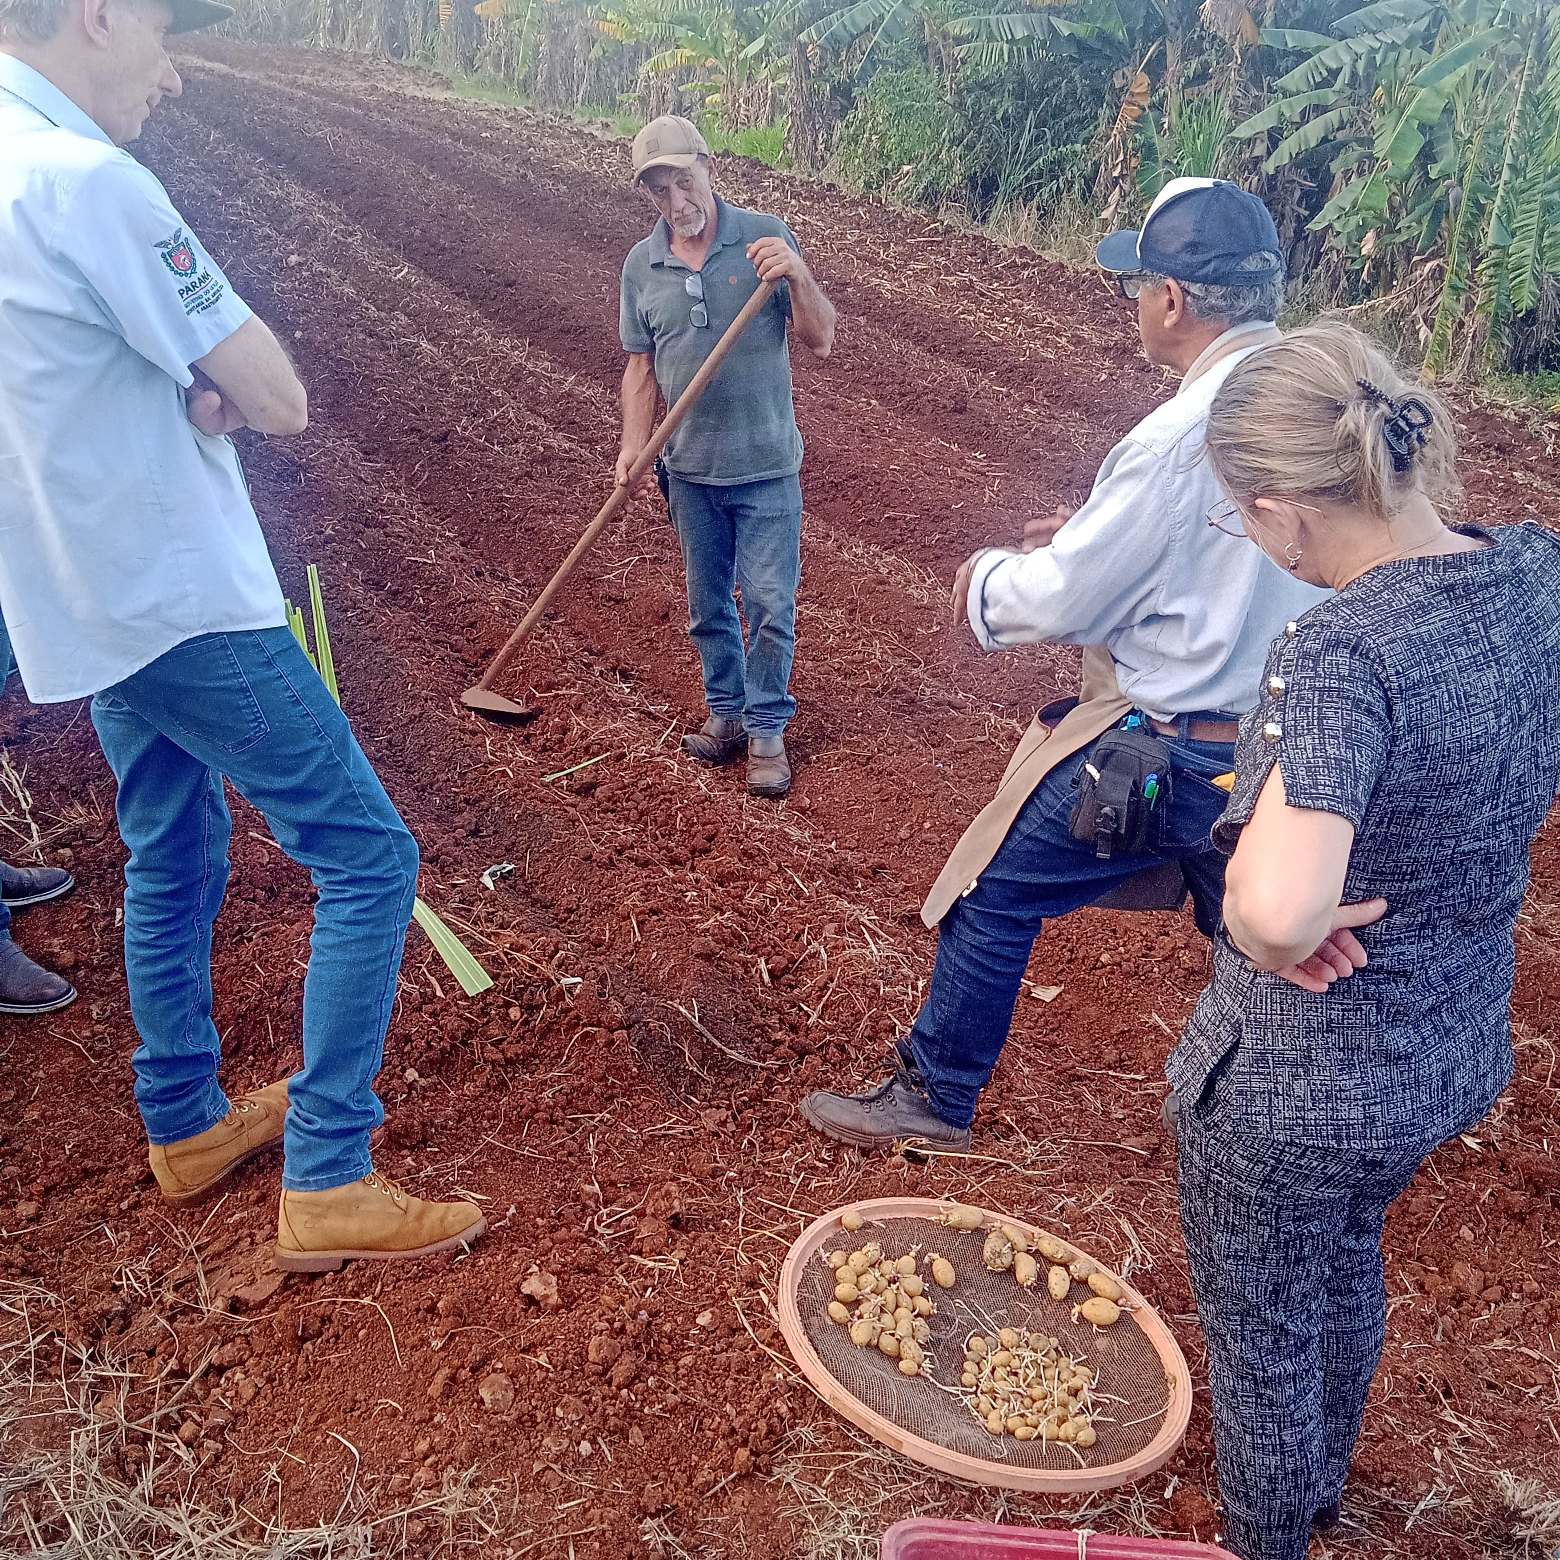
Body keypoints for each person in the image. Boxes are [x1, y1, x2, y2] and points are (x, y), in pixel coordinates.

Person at [0, 0, 484, 1270]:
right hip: (178, 601)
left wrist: (179, 383)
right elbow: (275, 394)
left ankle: (184, 1125)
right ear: (97, 14)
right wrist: (214, 384)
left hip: (77, 594)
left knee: (175, 841)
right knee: (371, 858)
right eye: (163, 33)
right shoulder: (88, 182)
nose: (171, 74)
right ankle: (331, 1172)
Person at [801, 178, 1325, 1151]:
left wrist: (990, 582)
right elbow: (1225, 566)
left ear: (1171, 298)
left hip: (1169, 757)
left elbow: (1066, 600)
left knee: (990, 892)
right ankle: (1305, 1122)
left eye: (1138, 285)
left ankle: (934, 1097)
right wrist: (1098, 540)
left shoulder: (1178, 438)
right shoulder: (1319, 402)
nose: (1132, 303)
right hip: (1292, 761)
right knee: (1268, 947)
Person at [1167, 323, 1560, 1560]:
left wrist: (1264, 917)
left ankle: (1271, 1536)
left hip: (1300, 1086)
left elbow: (1281, 909)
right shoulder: (1533, 569)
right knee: (1345, 1255)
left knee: (1265, 1327)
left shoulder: (1344, 649)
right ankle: (1323, 1488)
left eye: (1245, 522)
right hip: (1444, 1050)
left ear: (1286, 513)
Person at [616, 115, 836, 799]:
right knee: (708, 605)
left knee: (770, 602)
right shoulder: (641, 266)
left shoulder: (763, 239)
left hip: (767, 465)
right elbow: (640, 368)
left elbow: (820, 338)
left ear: (709, 169)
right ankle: (729, 714)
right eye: (661, 192)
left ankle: (768, 727)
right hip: (687, 470)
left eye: (685, 182)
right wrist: (632, 444)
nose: (677, 203)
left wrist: (796, 275)